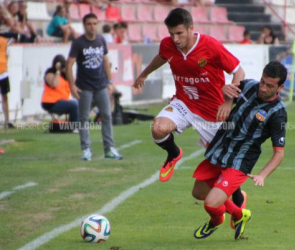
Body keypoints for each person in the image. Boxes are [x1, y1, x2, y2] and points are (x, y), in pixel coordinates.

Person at [133, 7, 246, 215]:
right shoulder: (168, 45)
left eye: (179, 33)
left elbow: (238, 71)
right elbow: (162, 56)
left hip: (213, 113)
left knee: (225, 164)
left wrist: (228, 102)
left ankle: (239, 201)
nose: (175, 39)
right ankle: (173, 153)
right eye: (171, 34)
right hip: (184, 104)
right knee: (158, 129)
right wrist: (143, 74)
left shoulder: (210, 46)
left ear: (191, 29)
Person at [192, 61, 288, 240]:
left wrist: (262, 175)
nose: (263, 88)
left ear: (280, 87)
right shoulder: (248, 86)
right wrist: (227, 100)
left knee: (211, 205)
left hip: (241, 159)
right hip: (221, 149)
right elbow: (229, 90)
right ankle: (239, 213)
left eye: (269, 85)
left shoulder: (278, 113)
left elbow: (279, 153)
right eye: (262, 81)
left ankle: (217, 220)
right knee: (197, 193)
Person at [67, 13, 123, 161]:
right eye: (89, 24)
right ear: (84, 25)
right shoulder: (78, 43)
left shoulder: (101, 40)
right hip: (84, 86)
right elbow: (69, 64)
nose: (92, 26)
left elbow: (106, 61)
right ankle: (86, 149)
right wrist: (72, 86)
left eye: (94, 23)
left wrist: (110, 82)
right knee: (84, 118)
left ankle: (109, 149)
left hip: (101, 85)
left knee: (106, 116)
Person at [41, 54, 79, 127]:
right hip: (51, 102)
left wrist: (67, 70)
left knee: (79, 103)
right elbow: (54, 84)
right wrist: (58, 71)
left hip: (63, 101)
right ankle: (74, 126)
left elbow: (75, 82)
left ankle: (79, 124)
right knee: (74, 105)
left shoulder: (66, 75)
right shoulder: (50, 73)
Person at [0, 36, 14, 128]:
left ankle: (7, 120)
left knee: (5, 96)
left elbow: (7, 54)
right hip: (3, 70)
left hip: (3, 72)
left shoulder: (3, 41)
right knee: (5, 97)